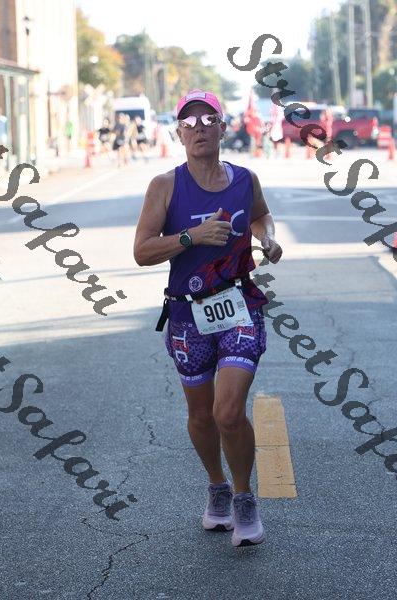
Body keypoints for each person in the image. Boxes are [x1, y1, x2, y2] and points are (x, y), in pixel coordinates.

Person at [133, 89, 282, 548]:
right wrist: (191, 236)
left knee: (228, 411)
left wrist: (268, 238)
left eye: (208, 120)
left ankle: (243, 496)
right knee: (200, 416)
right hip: (186, 313)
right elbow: (142, 251)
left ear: (223, 127)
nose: (199, 129)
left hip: (238, 304)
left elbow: (262, 216)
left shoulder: (245, 179)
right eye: (189, 123)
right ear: (179, 133)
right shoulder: (164, 186)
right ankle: (217, 485)